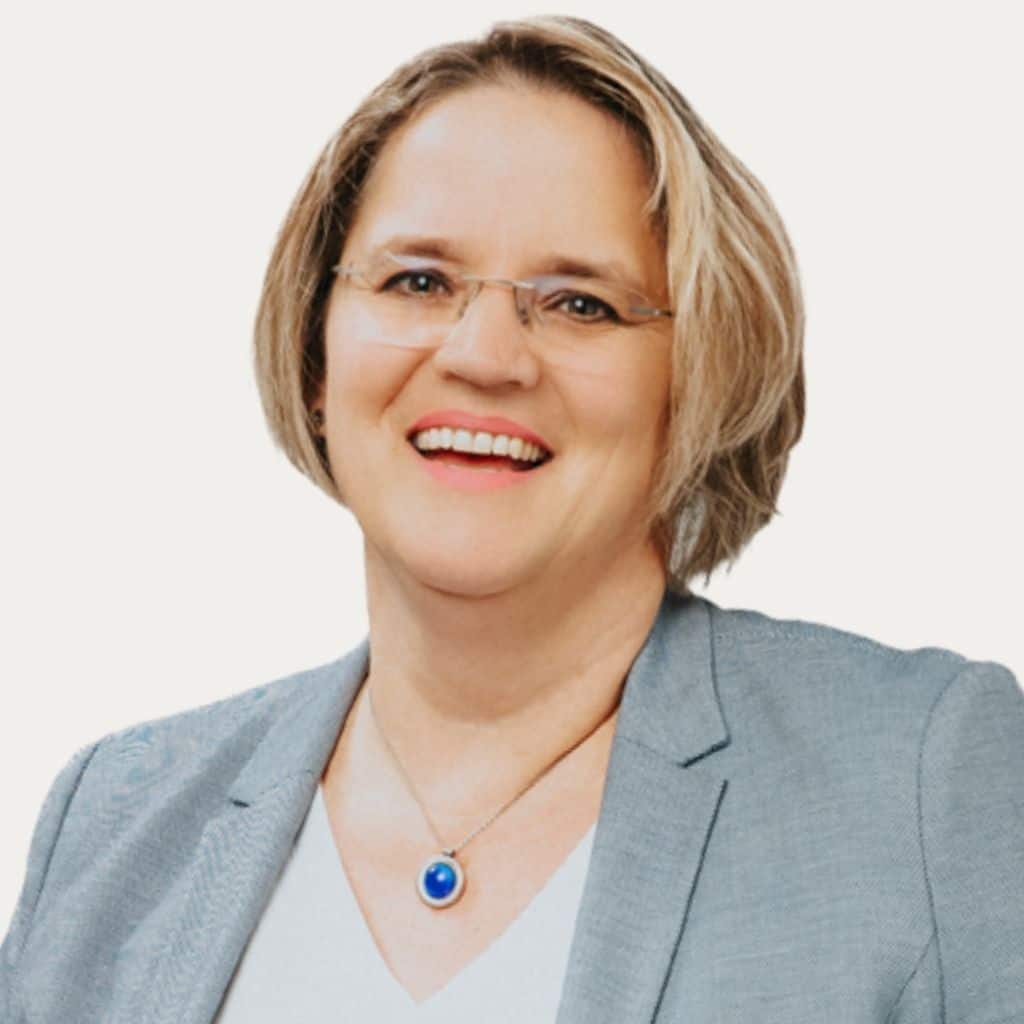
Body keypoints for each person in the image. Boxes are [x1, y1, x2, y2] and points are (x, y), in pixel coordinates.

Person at [2, 13, 1022, 1023]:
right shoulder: (113, 818)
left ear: (697, 379)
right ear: (317, 356)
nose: (484, 356)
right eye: (417, 281)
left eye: (580, 302)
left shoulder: (920, 781)